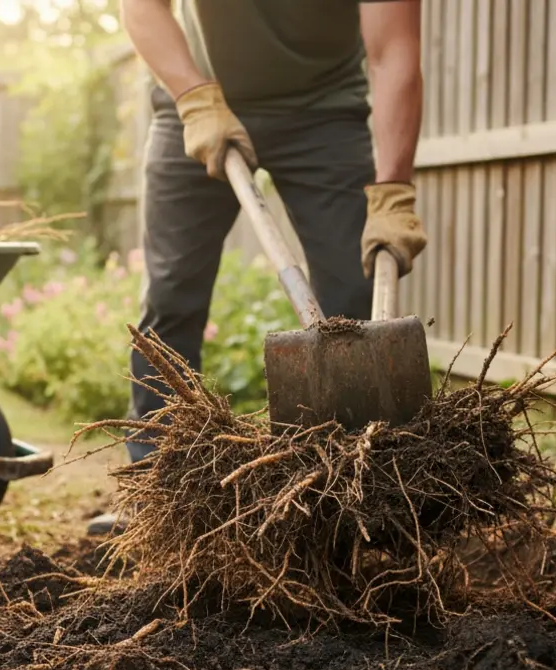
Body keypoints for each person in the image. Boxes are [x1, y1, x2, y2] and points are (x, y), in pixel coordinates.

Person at [87, 0, 428, 536]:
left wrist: (393, 188)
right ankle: (158, 493)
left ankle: (351, 495)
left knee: (350, 292)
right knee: (173, 294)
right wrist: (194, 96)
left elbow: (392, 51)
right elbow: (143, 8)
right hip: (196, 95)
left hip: (324, 113)